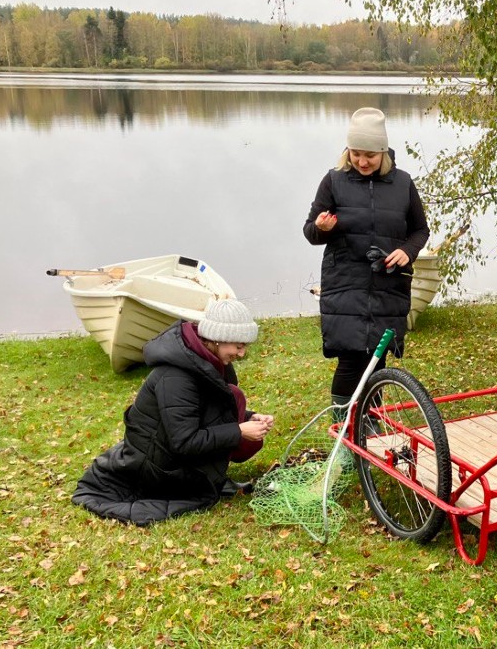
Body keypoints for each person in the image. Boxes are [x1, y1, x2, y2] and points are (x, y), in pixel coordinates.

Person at [72, 299, 274, 525]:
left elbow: (207, 410)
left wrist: (248, 418)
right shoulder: (176, 377)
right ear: (217, 338)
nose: (242, 353)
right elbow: (184, 442)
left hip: (171, 452)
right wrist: (238, 431)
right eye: (238, 346)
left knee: (235, 396)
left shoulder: (208, 361)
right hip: (158, 468)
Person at [303, 107, 430, 413]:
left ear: (383, 152)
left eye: (370, 155)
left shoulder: (402, 184)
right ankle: (345, 434)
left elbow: (420, 230)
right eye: (356, 153)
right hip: (346, 283)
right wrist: (322, 228)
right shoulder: (333, 182)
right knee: (349, 361)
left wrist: (407, 251)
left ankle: (369, 430)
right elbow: (310, 231)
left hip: (388, 284)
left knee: (377, 361)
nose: (362, 161)